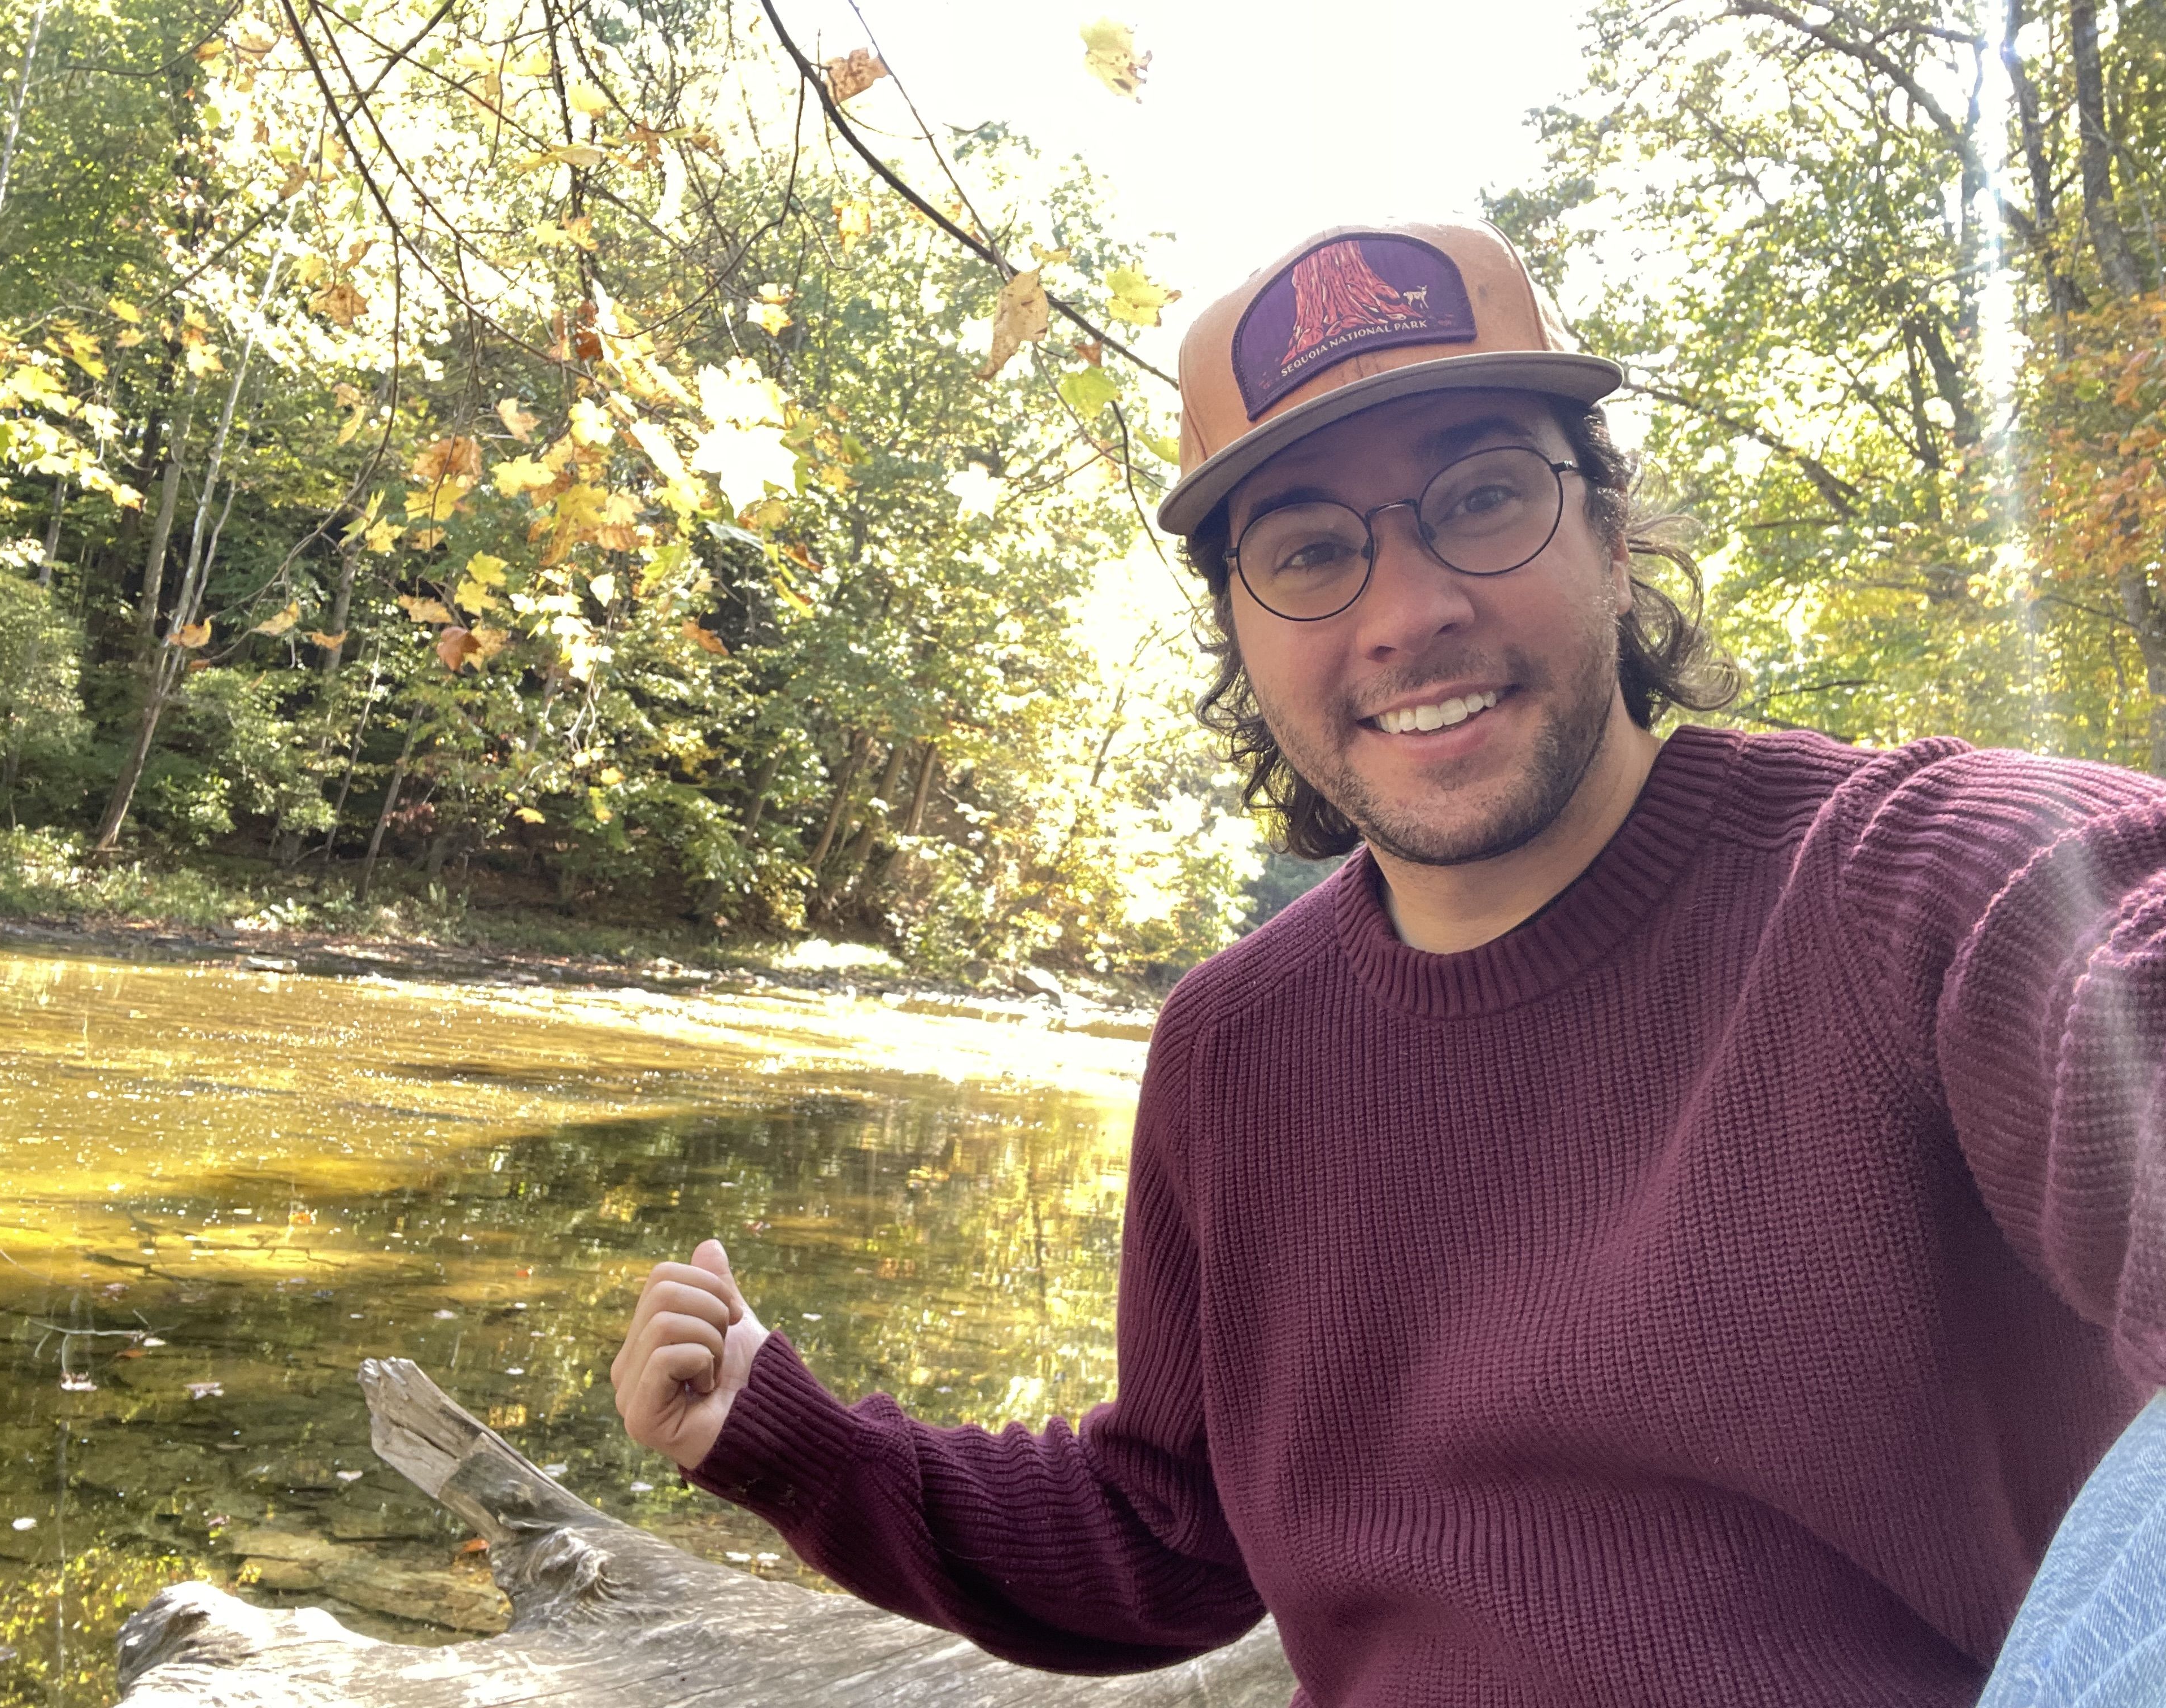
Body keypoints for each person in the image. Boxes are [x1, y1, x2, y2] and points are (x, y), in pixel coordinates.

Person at [609, 219, 2166, 1706]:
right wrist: (786, 1433)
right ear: (1239, 628)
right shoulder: (1236, 1050)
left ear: (1613, 541)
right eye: (1309, 550)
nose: (1411, 613)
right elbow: (1168, 1532)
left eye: (1484, 499)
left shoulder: (1910, 880)